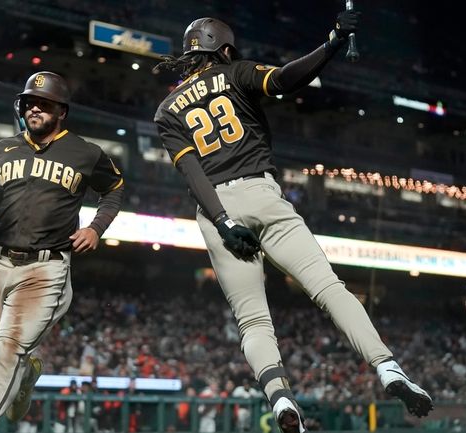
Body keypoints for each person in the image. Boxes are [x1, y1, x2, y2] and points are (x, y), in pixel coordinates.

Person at [153, 12, 432, 433]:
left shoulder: (166, 109)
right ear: (224, 49)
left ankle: (280, 397)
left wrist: (225, 221)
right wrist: (334, 40)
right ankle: (387, 367)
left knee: (253, 321)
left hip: (216, 210)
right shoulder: (235, 72)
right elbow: (287, 78)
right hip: (263, 196)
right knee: (328, 288)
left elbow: (191, 173)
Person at [0, 71, 124, 433]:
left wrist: (96, 228)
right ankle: (27, 377)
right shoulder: (2, 149)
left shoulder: (85, 152)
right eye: (30, 102)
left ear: (61, 111)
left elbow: (114, 188)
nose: (34, 108)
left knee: (5, 357)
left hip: (44, 269)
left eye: (44, 103)